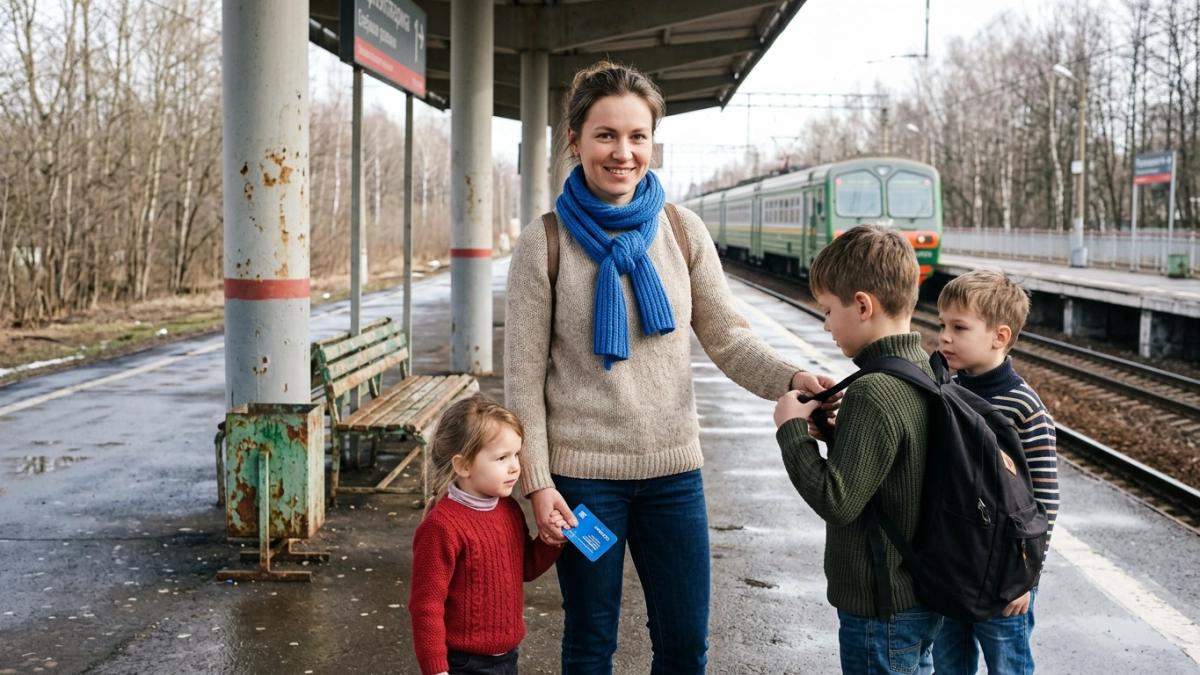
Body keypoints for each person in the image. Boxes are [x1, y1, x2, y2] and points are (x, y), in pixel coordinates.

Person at [504, 61, 834, 674]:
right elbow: (522, 380)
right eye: (605, 135)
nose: (622, 152)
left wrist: (791, 378)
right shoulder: (544, 243)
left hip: (673, 476)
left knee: (685, 645)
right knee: (589, 643)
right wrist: (539, 483)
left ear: (653, 142)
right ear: (574, 140)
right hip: (582, 483)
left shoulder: (683, 231)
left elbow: (730, 339)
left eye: (637, 136)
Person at [774, 224, 941, 675]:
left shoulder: (874, 392)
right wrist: (834, 437)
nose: (826, 324)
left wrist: (791, 430)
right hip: (920, 594)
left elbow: (838, 501)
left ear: (863, 305)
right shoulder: (924, 369)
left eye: (828, 311)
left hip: (880, 607)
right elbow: (895, 472)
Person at [932, 268, 1059, 675]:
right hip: (956, 563)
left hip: (1006, 574)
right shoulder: (947, 389)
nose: (945, 337)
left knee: (1008, 664)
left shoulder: (1024, 408)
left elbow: (1045, 500)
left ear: (999, 336)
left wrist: (1027, 576)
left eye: (959, 327)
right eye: (942, 325)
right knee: (949, 661)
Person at [409, 394, 567, 675]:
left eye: (516, 454)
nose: (515, 466)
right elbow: (426, 606)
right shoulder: (442, 527)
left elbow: (525, 567)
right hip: (462, 663)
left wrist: (550, 541)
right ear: (463, 465)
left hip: (507, 658)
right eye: (502, 457)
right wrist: (436, 670)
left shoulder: (508, 508)